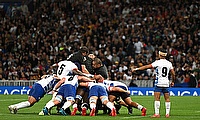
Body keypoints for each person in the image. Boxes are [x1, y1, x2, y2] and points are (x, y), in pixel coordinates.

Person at [132, 49, 176, 118]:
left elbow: (147, 67)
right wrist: (173, 81)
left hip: (159, 83)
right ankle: (167, 114)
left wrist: (137, 69)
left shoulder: (157, 62)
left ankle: (157, 113)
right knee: (167, 99)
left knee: (157, 98)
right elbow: (173, 74)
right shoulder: (169, 63)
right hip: (166, 83)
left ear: (160, 55)